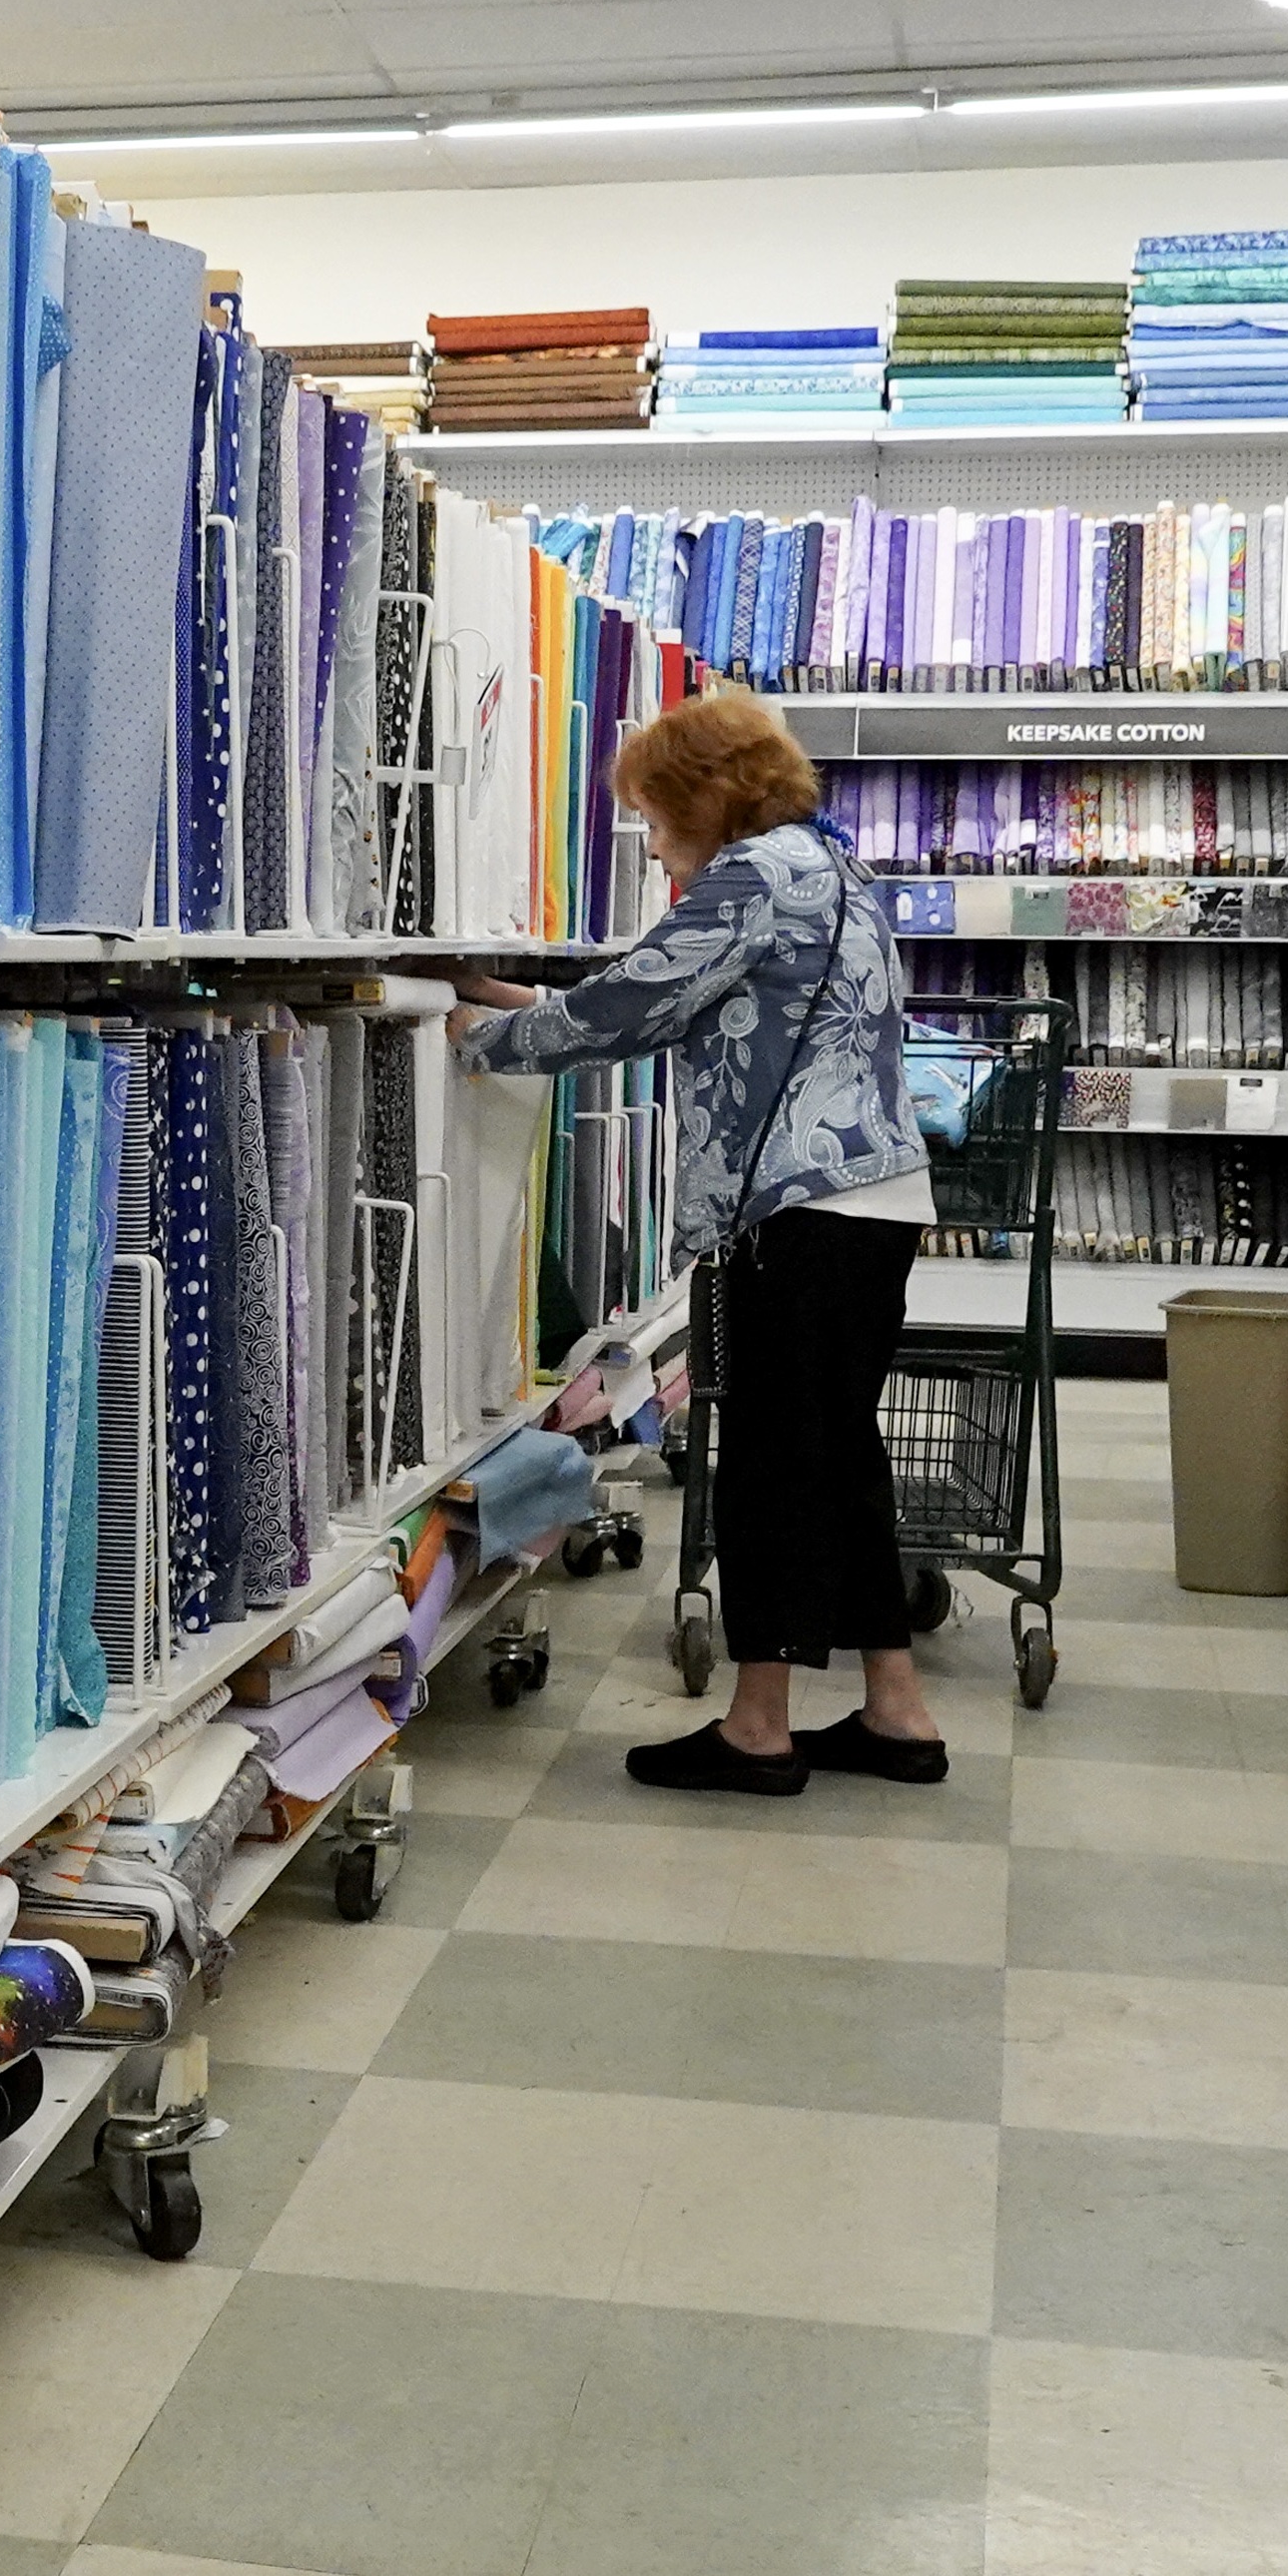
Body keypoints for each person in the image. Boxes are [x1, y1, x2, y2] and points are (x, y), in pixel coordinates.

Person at [454, 687, 944, 1797]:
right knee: (840, 1456)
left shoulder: (750, 876)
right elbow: (679, 1001)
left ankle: (759, 1727)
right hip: (874, 1202)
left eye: (654, 812)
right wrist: (518, 994)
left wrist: (484, 1036)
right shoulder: (833, 868)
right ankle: (895, 1709)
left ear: (705, 795)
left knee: (769, 1464)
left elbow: (631, 1005)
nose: (650, 840)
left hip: (795, 1211)